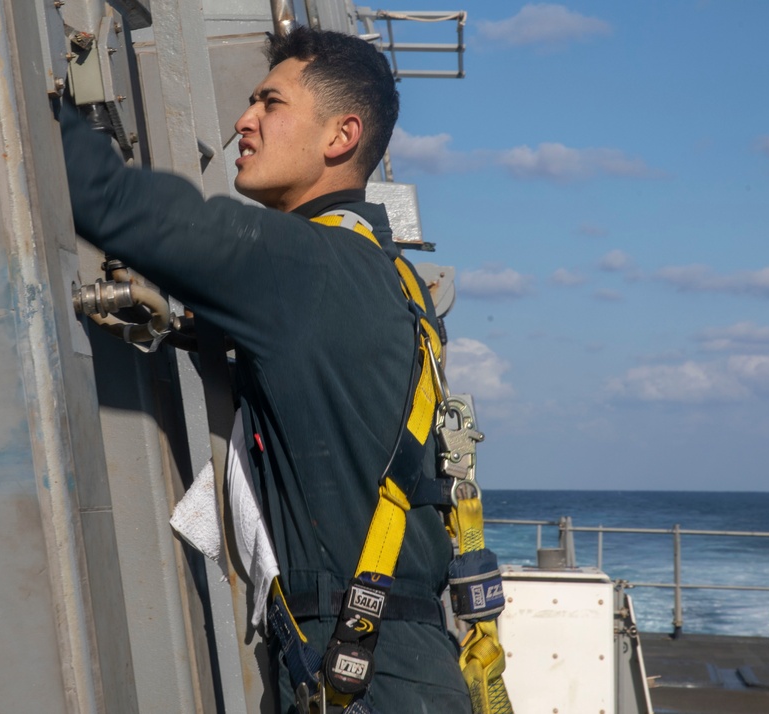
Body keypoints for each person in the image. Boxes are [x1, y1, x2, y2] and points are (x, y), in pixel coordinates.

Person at [60, 26, 472, 714]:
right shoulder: (387, 276)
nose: (243, 121)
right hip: (391, 664)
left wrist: (43, 107)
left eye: (269, 103)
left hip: (363, 675)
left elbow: (113, 202)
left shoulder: (308, 266)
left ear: (340, 137)